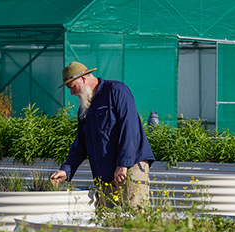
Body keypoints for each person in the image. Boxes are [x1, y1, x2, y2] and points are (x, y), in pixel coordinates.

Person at [49, 62, 155, 209]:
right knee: (109, 223)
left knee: (135, 218)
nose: (72, 93)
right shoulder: (84, 108)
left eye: (73, 87)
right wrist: (66, 170)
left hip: (130, 167)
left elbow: (130, 128)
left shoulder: (116, 90)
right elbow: (81, 143)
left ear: (83, 79)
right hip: (105, 174)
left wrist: (123, 164)